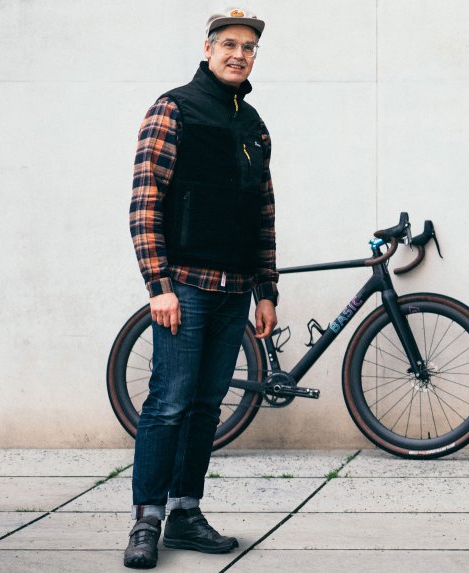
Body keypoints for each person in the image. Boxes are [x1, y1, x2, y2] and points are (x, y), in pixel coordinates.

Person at [124, 7, 278, 569]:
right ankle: (147, 520)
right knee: (169, 403)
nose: (239, 54)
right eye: (229, 44)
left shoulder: (253, 125)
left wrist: (267, 290)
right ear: (208, 48)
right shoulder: (174, 109)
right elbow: (145, 202)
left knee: (207, 407)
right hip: (184, 288)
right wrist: (158, 284)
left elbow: (263, 213)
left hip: (235, 290)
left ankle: (185, 513)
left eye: (248, 47)